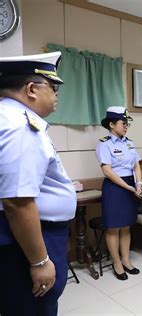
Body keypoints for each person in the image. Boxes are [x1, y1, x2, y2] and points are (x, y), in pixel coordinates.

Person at [0, 52, 76, 315]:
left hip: (28, 234)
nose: (56, 96)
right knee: (33, 307)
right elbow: (18, 203)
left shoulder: (9, 117)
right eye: (53, 88)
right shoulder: (21, 126)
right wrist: (40, 261)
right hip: (28, 238)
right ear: (32, 89)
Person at [96, 106, 142, 281]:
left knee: (126, 226)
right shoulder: (104, 143)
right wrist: (128, 187)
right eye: (123, 123)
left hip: (130, 185)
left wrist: (137, 183)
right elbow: (107, 171)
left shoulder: (129, 143)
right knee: (114, 227)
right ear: (111, 124)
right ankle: (117, 263)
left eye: (127, 123)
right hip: (115, 187)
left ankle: (126, 260)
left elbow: (136, 165)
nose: (126, 126)